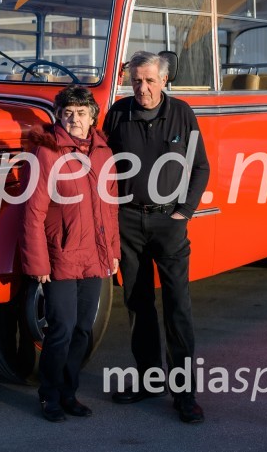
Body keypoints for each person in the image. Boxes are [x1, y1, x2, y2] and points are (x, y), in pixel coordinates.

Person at [102, 50, 210, 423]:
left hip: (169, 224)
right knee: (137, 303)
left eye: (149, 80)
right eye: (136, 81)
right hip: (128, 222)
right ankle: (149, 380)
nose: (142, 88)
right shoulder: (118, 113)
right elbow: (100, 165)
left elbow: (200, 167)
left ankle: (185, 395)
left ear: (164, 80)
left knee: (177, 307)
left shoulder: (181, 113)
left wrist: (184, 212)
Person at [20, 85, 120, 422]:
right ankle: (49, 395)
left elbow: (111, 208)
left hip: (95, 255)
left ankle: (68, 393)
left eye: (80, 112)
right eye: (67, 112)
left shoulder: (103, 152)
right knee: (60, 329)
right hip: (61, 256)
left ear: (93, 117)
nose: (74, 118)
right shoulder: (47, 153)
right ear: (59, 116)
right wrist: (38, 262)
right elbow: (32, 213)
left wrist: (113, 252)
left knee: (82, 329)